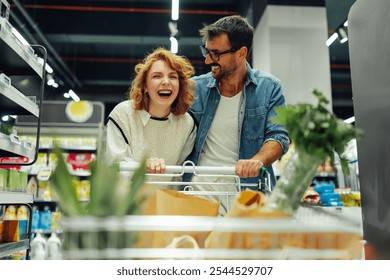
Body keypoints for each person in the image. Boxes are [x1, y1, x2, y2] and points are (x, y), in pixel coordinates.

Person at [186, 15, 290, 196]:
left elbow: (279, 136)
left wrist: (257, 160)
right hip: (199, 191)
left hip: (247, 192)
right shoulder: (195, 88)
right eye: (206, 51)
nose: (208, 61)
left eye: (216, 53)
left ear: (241, 53)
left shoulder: (269, 87)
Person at [105, 47, 196, 176]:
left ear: (180, 86)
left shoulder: (187, 123)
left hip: (167, 195)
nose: (166, 82)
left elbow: (180, 172)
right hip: (129, 195)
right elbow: (115, 164)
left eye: (173, 77)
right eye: (157, 76)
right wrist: (143, 167)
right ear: (145, 86)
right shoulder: (122, 114)